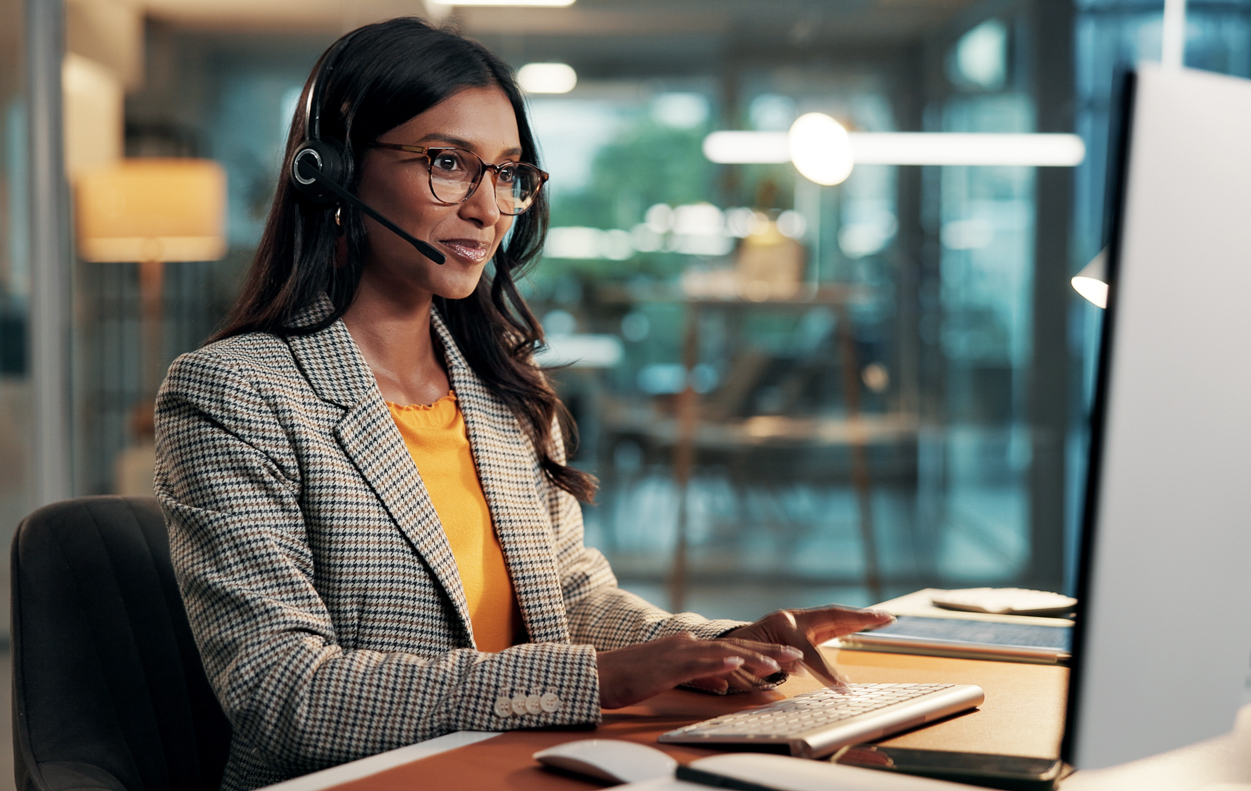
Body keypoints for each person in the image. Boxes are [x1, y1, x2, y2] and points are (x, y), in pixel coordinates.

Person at [155, 17, 892, 791]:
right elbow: (284, 693)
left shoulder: (505, 385)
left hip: (521, 769)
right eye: (447, 163)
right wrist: (597, 680)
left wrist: (719, 643)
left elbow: (569, 595)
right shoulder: (237, 391)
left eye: (507, 173)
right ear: (333, 169)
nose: (488, 209)